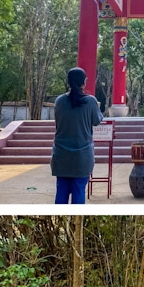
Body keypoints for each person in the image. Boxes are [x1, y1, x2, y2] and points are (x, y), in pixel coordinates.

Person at [51, 67, 103, 204]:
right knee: (79, 191)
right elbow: (97, 120)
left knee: (61, 192)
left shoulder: (59, 101)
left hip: (61, 155)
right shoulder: (90, 101)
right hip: (82, 156)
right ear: (84, 82)